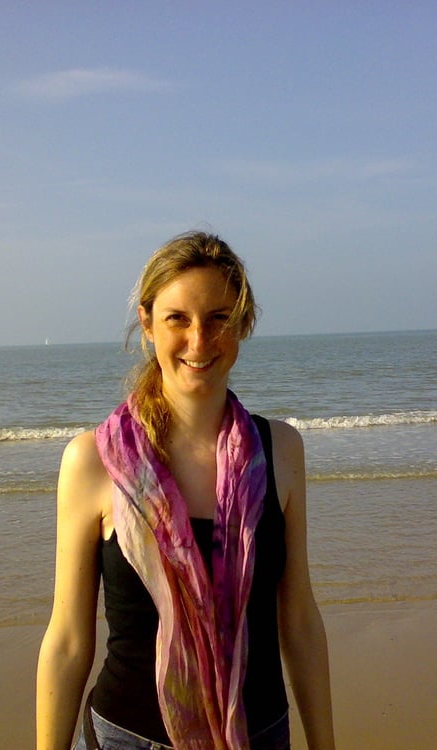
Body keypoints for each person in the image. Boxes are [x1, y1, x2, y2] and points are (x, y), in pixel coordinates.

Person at [36, 231, 336, 750]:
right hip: (124, 740)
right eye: (178, 318)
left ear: (242, 326)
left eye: (220, 318)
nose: (200, 340)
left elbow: (299, 619)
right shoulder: (92, 462)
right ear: (148, 324)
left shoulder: (280, 450)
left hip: (260, 735)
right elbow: (67, 639)